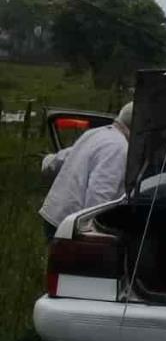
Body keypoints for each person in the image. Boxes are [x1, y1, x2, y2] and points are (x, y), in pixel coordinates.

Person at [39, 102, 132, 240]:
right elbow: (100, 194)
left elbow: (63, 158)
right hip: (72, 226)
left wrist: (46, 161)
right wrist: (91, 233)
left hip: (54, 215)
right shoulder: (119, 148)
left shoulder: (95, 133)